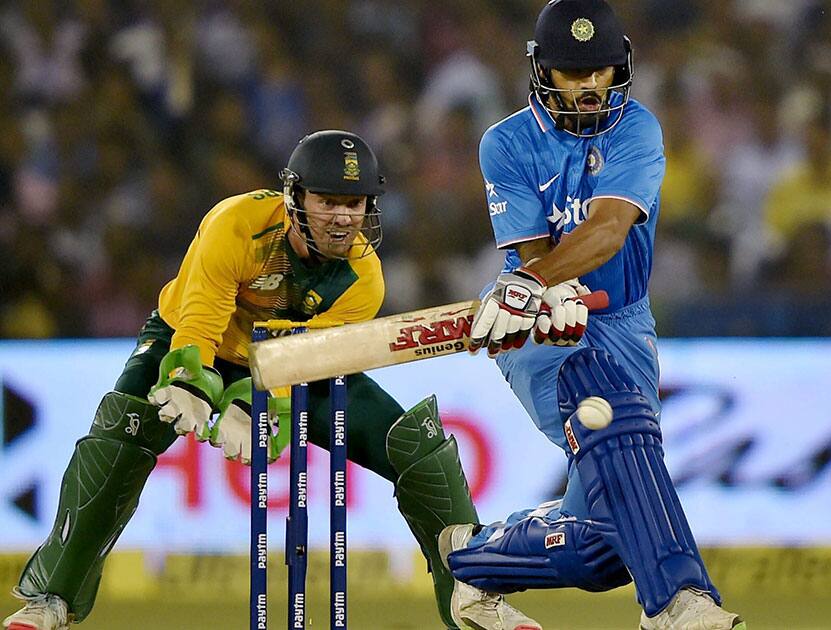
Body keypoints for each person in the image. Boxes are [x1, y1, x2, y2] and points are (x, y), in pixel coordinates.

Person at [3, 130, 507, 630]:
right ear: (295, 197)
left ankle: (475, 595)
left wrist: (256, 407)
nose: (343, 217)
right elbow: (199, 320)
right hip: (195, 337)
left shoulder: (363, 277)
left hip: (292, 363)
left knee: (415, 445)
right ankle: (50, 600)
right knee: (119, 437)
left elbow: (301, 362)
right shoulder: (236, 224)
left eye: (355, 203)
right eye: (328, 200)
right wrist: (191, 381)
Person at [436, 2, 746, 629]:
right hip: (537, 326)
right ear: (540, 71)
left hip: (622, 320)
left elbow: (607, 229)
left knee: (605, 545)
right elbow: (536, 256)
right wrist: (532, 286)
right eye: (572, 73)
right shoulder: (506, 143)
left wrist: (532, 280)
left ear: (620, 68)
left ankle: (470, 561)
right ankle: (678, 603)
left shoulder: (638, 129)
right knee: (617, 417)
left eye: (601, 71)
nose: (589, 86)